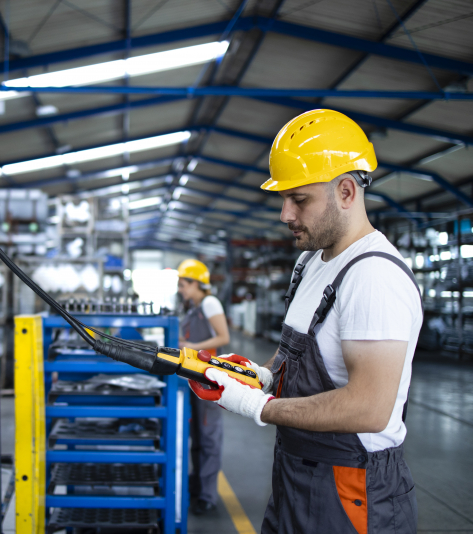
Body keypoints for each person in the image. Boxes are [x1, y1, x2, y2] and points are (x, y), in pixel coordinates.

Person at [197, 109, 423, 534]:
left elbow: (370, 407)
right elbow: (296, 355)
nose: (285, 214)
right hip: (296, 473)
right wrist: (259, 376)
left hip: (351, 487)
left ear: (345, 191)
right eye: (284, 199)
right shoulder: (311, 263)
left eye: (299, 199)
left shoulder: (373, 276)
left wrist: (256, 406)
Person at [176, 259, 230, 515]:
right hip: (194, 377)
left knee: (208, 436)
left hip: (208, 378)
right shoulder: (193, 308)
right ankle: (198, 486)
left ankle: (207, 495)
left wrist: (189, 347)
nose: (181, 289)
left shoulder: (209, 303)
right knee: (197, 435)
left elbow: (223, 337)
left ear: (197, 283)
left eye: (184, 284)